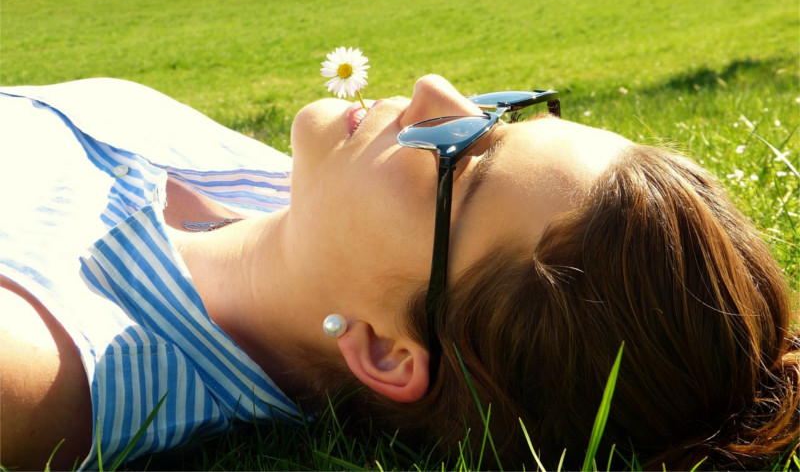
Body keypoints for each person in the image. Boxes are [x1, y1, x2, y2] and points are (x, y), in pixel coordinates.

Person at [1, 75, 797, 470]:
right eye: (498, 116)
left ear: (388, 351)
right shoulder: (298, 199)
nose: (433, 92)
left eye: (460, 161)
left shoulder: (45, 362)